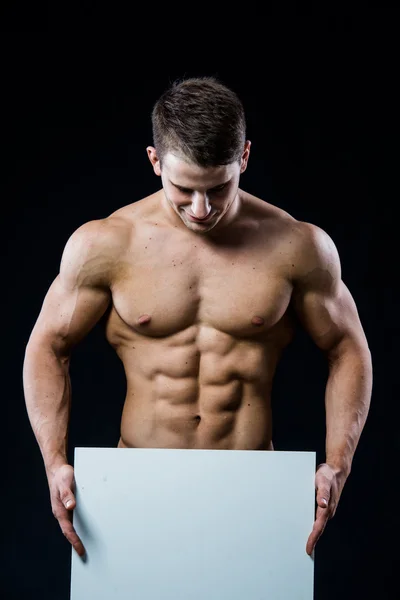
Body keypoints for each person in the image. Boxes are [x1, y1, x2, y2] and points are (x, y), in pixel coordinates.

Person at [23, 75, 372, 560]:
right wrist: (54, 462)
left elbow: (347, 346)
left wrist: (338, 464)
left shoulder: (298, 246)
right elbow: (47, 344)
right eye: (183, 189)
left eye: (219, 187)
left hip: (253, 486)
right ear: (154, 162)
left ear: (244, 158)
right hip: (136, 482)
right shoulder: (105, 244)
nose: (202, 208)